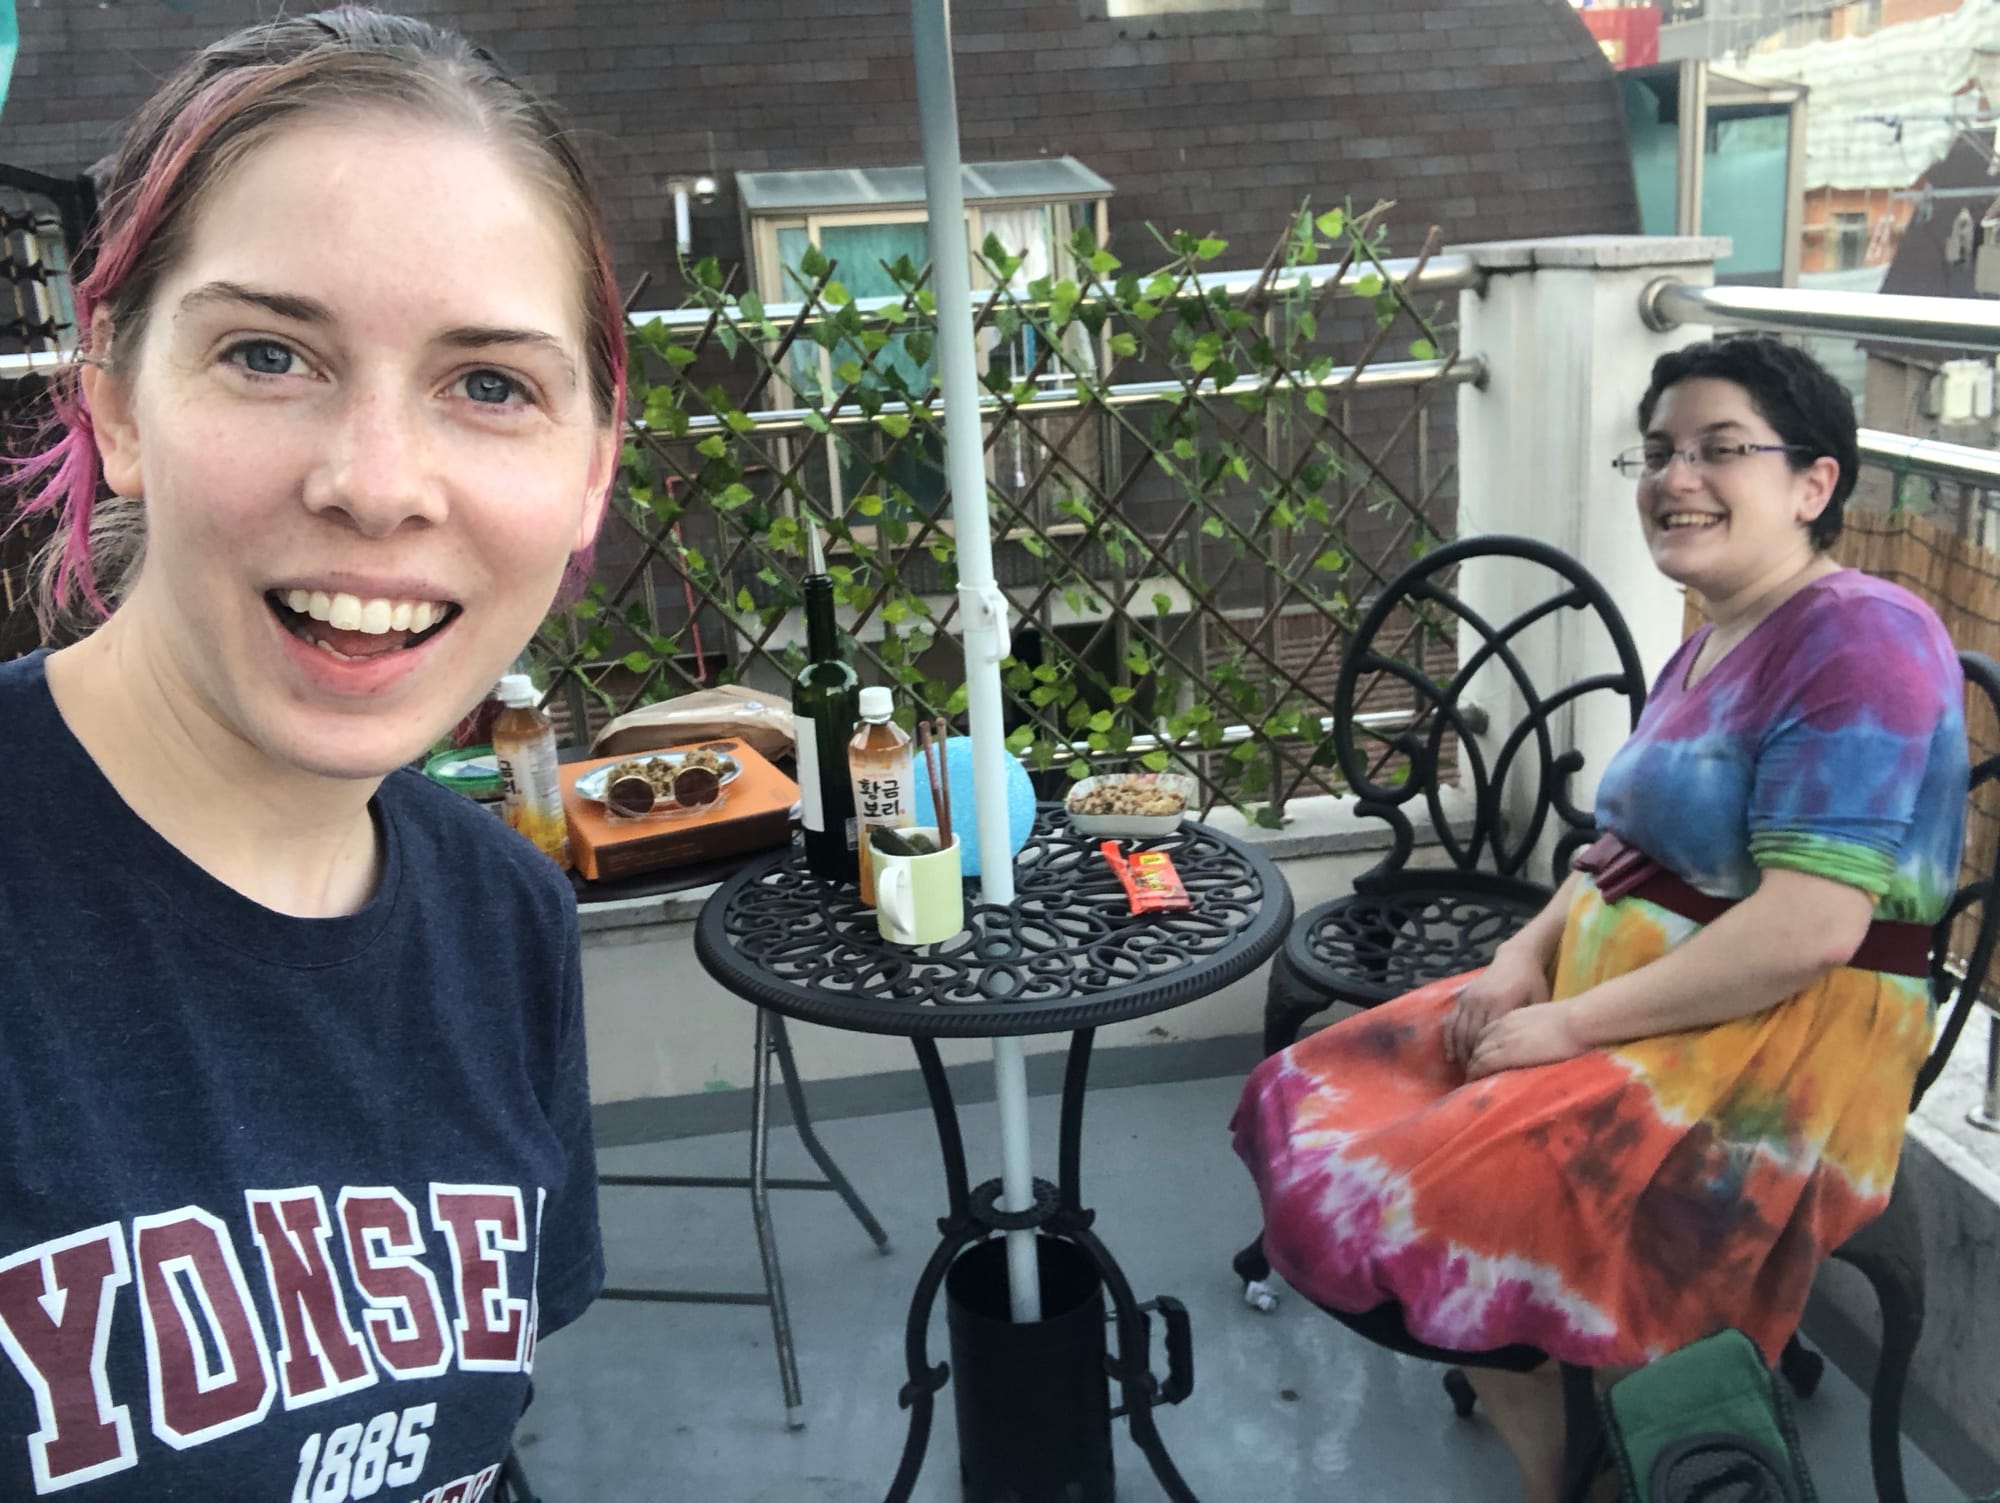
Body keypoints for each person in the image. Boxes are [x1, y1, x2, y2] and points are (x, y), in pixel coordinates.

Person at [0, 10, 624, 1498]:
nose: (376, 485)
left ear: (589, 468)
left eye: (490, 384)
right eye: (269, 352)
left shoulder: (507, 918)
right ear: (114, 395)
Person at [1232, 335, 1968, 1502]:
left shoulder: (1858, 638)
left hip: (1775, 1054)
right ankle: (1572, 1445)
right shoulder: (1706, 644)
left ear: (1811, 484)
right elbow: (1615, 854)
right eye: (1659, 450)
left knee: (1427, 1196)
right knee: (1302, 1096)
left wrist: (1567, 1032)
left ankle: (1585, 1456)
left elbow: (1808, 930)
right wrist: (1520, 956)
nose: (1675, 477)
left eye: (1719, 449)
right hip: (1618, 1005)